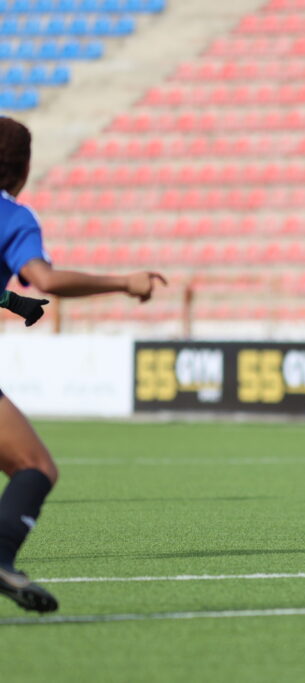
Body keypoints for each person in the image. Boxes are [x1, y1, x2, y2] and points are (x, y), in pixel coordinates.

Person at [0, 116, 166, 613]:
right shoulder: (13, 216)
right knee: (35, 467)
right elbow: (45, 278)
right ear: (24, 169)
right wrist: (124, 282)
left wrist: (10, 300)